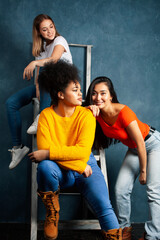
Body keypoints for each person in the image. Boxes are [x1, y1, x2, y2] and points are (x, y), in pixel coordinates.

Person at [28, 61, 122, 240]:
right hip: (65, 171)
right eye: (75, 90)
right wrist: (78, 166)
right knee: (45, 167)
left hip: (87, 169)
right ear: (60, 94)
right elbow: (48, 151)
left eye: (80, 89)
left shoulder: (87, 115)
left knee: (104, 206)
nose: (81, 94)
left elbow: (80, 152)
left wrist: (48, 153)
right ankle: (52, 212)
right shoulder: (46, 116)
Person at [85, 76, 160, 240]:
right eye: (94, 94)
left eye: (103, 93)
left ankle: (154, 235)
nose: (98, 98)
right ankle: (124, 228)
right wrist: (87, 110)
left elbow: (140, 141)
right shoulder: (96, 113)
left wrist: (143, 171)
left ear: (111, 95)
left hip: (152, 145)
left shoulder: (123, 112)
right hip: (134, 149)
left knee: (153, 191)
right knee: (120, 189)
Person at [6, 14, 72, 169]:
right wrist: (37, 88)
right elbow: (38, 80)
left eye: (51, 26)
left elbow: (54, 59)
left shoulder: (59, 41)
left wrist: (34, 63)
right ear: (39, 33)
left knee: (46, 71)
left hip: (64, 85)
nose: (49, 31)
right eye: (44, 29)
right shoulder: (41, 49)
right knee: (11, 103)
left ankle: (41, 117)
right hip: (47, 85)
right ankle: (18, 148)